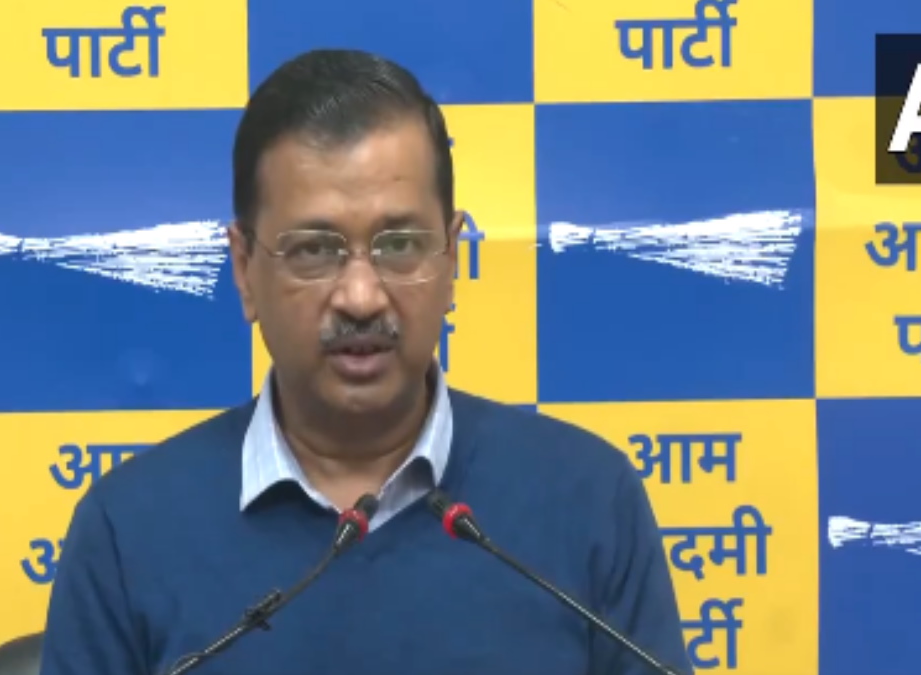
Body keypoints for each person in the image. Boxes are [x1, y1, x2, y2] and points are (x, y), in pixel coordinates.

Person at [39, 48, 693, 675]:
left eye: (400, 245)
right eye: (314, 250)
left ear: (452, 258)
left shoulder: (588, 499)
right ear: (243, 269)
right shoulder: (129, 529)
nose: (360, 296)